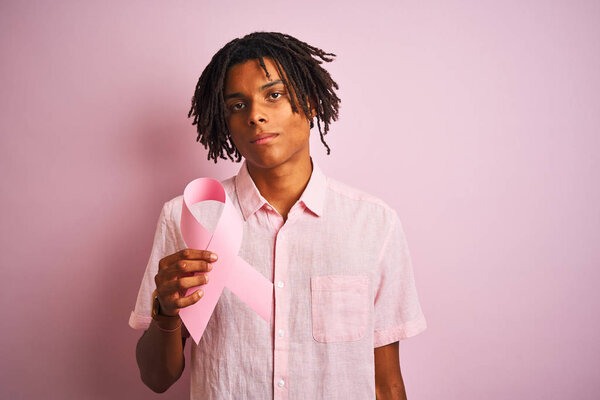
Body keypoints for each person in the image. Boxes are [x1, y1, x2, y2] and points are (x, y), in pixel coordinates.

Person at [129, 31, 427, 400]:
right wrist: (166, 315)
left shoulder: (374, 224)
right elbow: (157, 378)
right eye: (237, 105)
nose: (255, 115)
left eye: (274, 95)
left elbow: (387, 383)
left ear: (312, 101)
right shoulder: (190, 218)